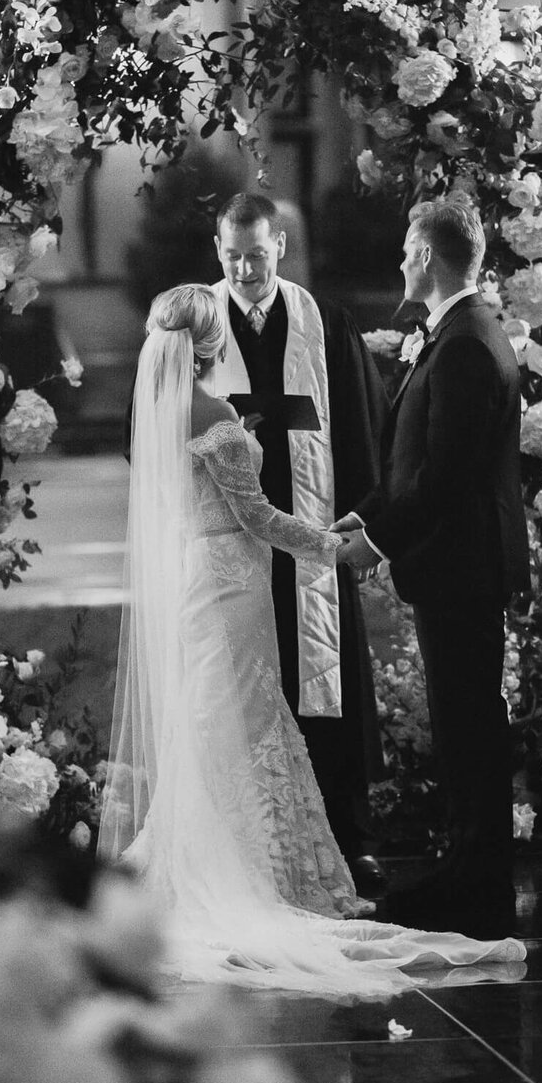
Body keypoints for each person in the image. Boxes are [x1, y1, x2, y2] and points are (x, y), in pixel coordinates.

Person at [100, 283, 526, 995]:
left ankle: (204, 857)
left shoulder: (158, 413)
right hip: (234, 583)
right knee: (251, 716)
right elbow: (260, 516)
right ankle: (263, 871)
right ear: (211, 346)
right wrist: (332, 545)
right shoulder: (217, 421)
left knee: (208, 718)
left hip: (191, 581)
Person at [335, 199, 531, 939]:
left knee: (469, 722)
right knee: (462, 721)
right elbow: (413, 460)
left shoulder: (465, 345)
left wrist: (376, 545)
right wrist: (366, 515)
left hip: (463, 566)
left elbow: (445, 478)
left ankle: (478, 878)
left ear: (427, 254)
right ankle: (469, 864)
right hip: (457, 564)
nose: (398, 263)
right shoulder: (457, 334)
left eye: (406, 251)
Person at [202, 193, 390, 897]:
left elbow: (365, 428)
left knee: (327, 683)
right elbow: (158, 427)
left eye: (257, 254)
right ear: (218, 251)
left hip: (311, 535)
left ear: (279, 246)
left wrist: (362, 518)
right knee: (246, 685)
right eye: (233, 257)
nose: (247, 270)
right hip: (235, 543)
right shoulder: (200, 328)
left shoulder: (322, 324)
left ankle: (348, 834)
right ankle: (255, 841)